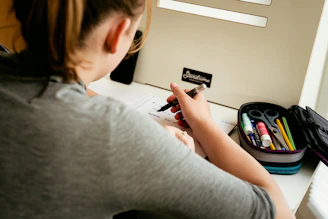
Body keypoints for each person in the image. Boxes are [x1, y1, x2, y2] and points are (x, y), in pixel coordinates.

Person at [0, 0, 295, 218]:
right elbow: (277, 212)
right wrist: (203, 126)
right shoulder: (112, 134)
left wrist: (148, 145)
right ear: (119, 33)